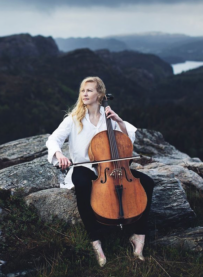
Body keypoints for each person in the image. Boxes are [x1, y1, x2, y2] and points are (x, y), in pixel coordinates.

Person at [46, 76, 154, 267]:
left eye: (89, 90)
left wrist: (119, 121)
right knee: (82, 183)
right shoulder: (73, 119)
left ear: (100, 94)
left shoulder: (109, 117)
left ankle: (139, 234)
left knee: (147, 182)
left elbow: (128, 137)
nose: (84, 94)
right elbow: (53, 139)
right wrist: (59, 154)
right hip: (84, 167)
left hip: (112, 168)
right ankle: (95, 239)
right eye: (82, 90)